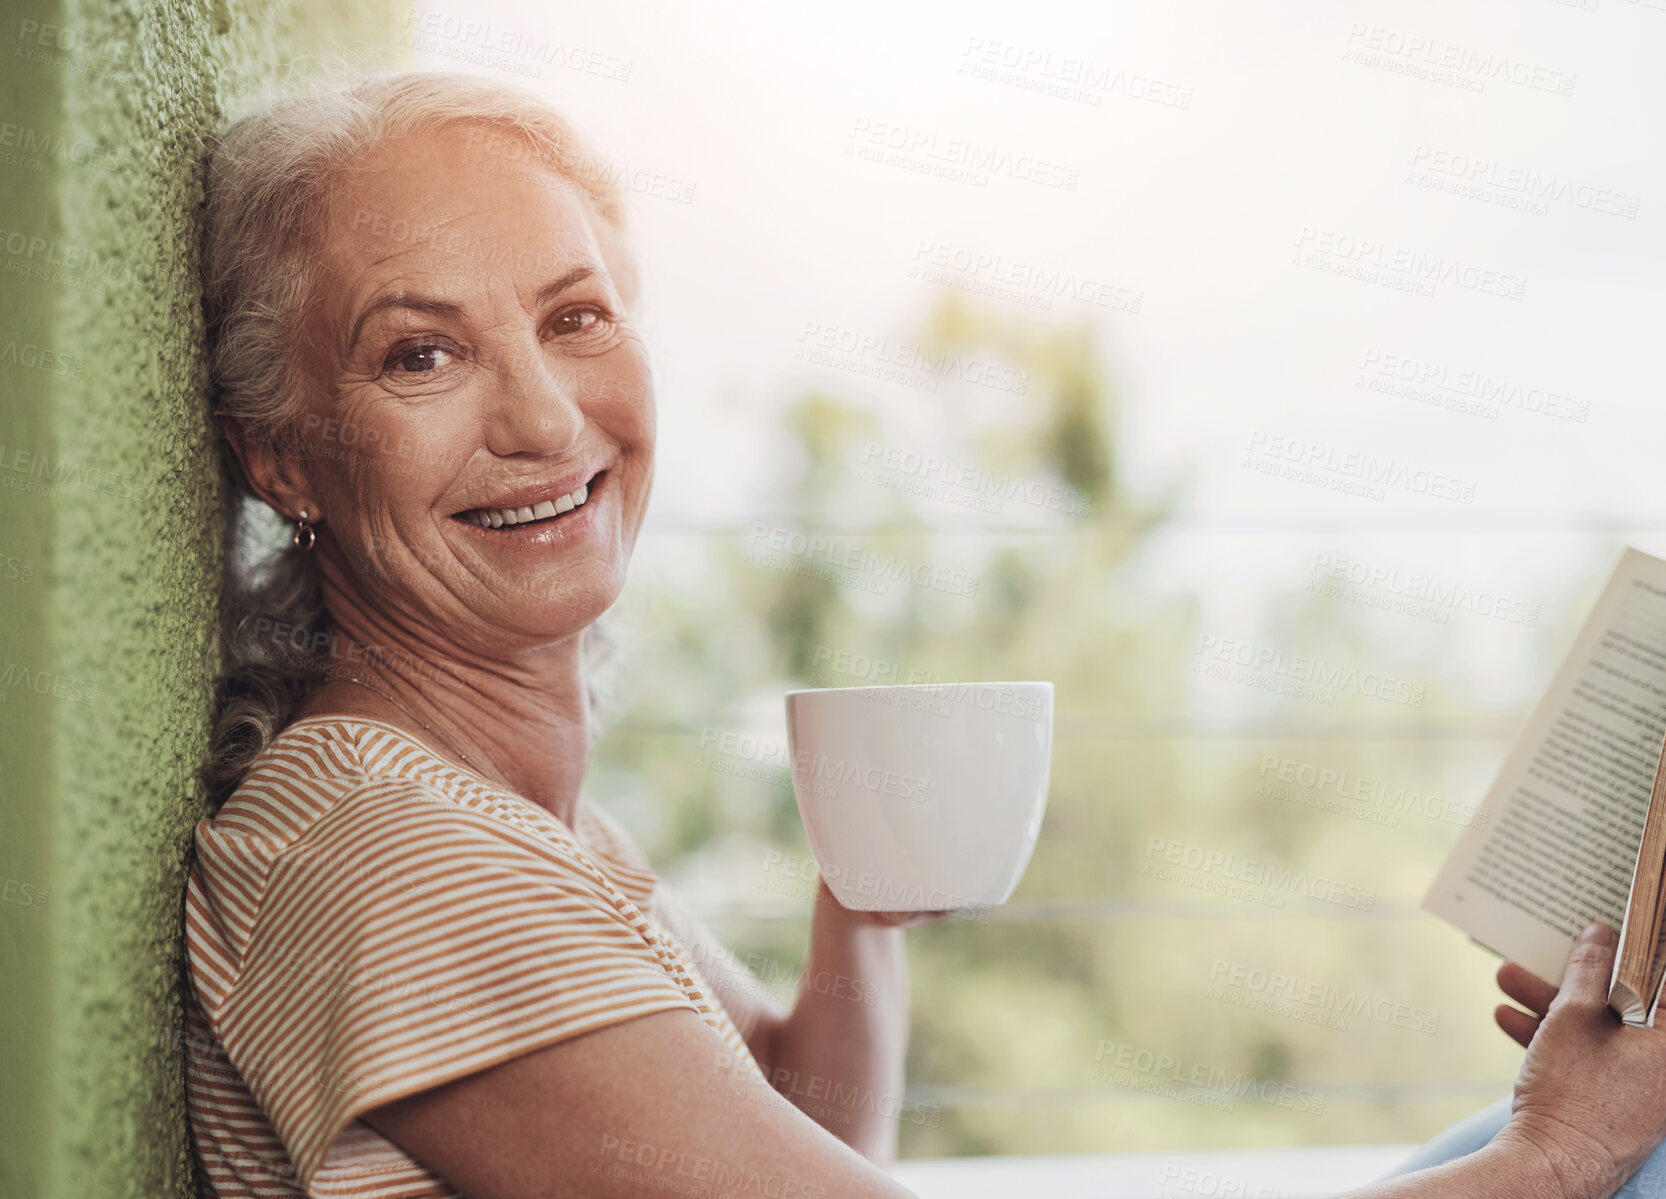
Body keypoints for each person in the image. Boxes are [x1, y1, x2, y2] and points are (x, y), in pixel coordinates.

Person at [184, 68, 1666, 1199]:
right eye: (420, 352)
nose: (542, 418)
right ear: (287, 458)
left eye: (575, 318)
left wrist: (864, 882)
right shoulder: (388, 846)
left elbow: (797, 1122)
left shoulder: (509, 823)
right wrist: (1544, 1160)